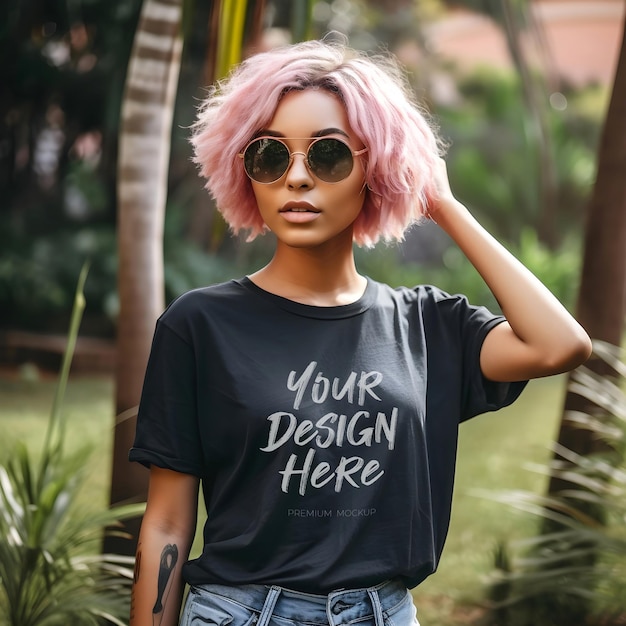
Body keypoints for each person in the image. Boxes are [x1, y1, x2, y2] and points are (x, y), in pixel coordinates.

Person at [128, 38, 591, 626]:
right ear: (245, 171)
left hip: (383, 613)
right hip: (240, 613)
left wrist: (445, 204)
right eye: (270, 156)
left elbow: (560, 344)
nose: (296, 178)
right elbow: (167, 521)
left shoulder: (426, 325)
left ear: (376, 169)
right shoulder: (200, 325)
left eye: (327, 156)